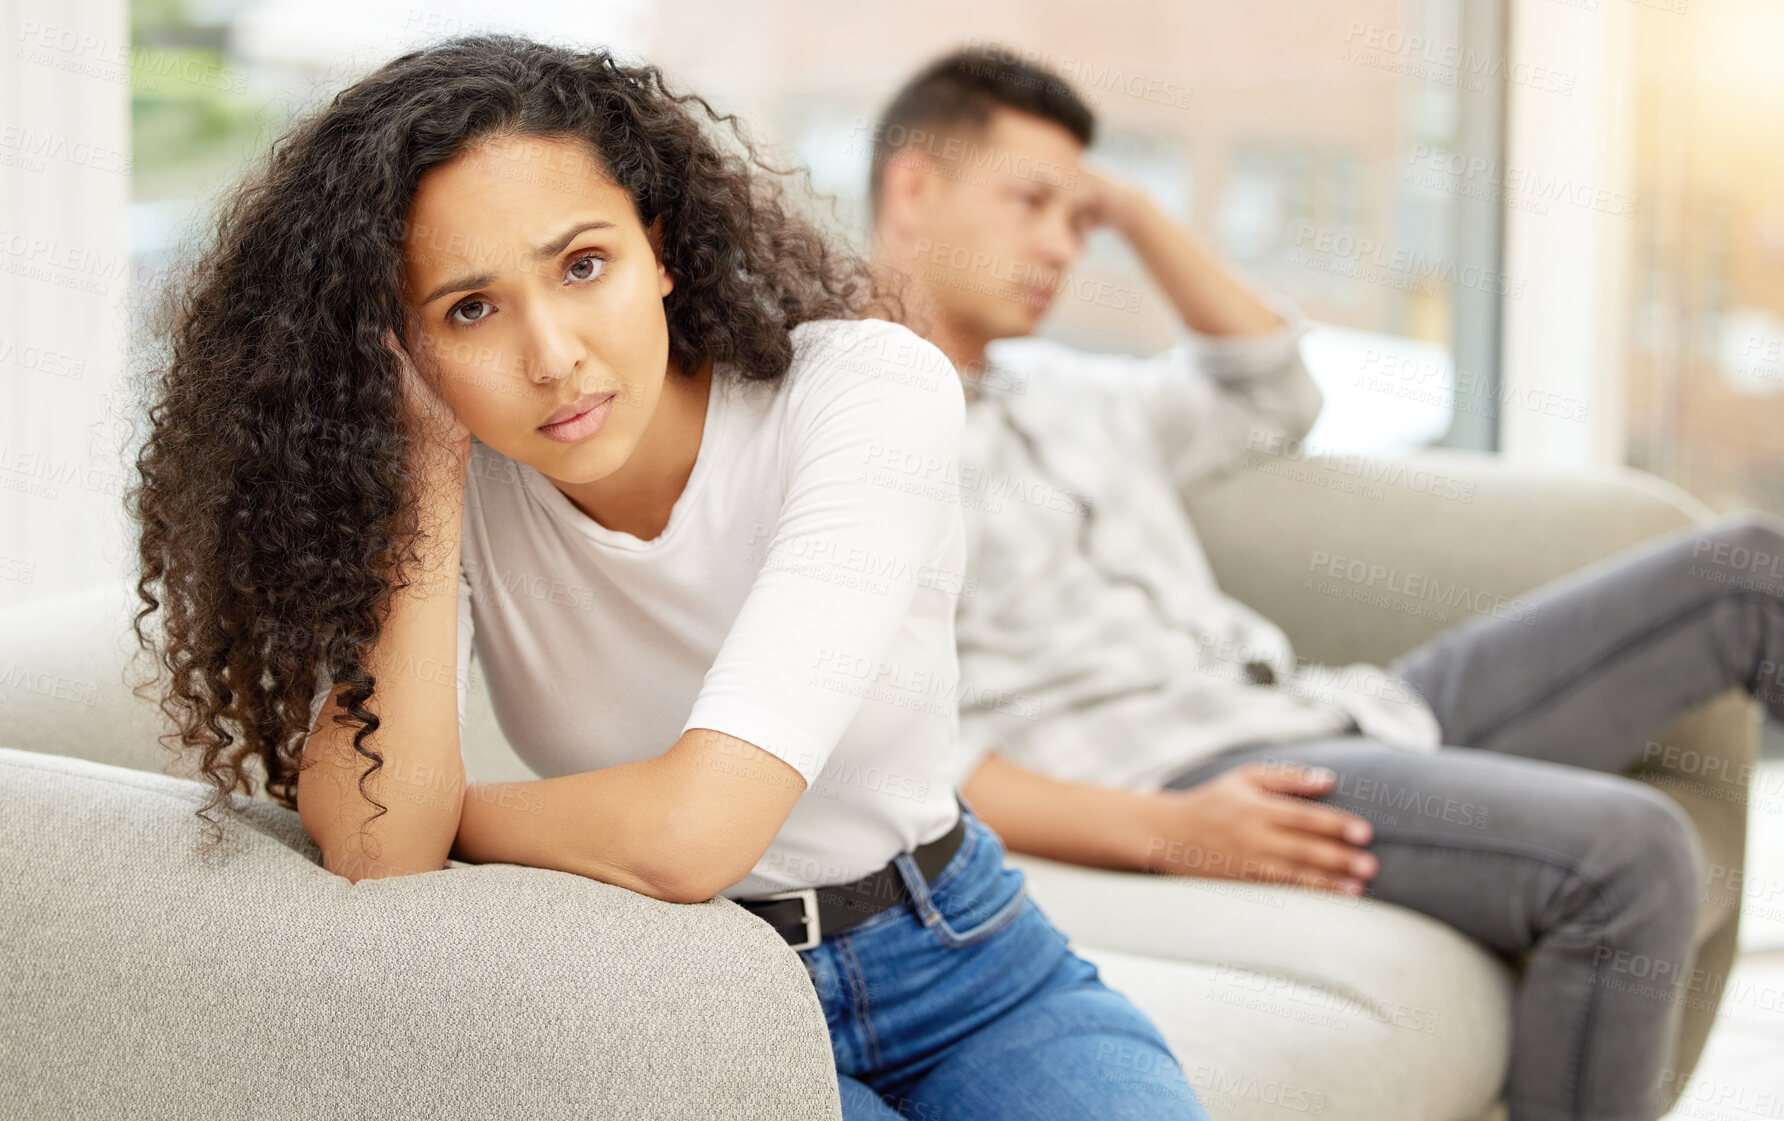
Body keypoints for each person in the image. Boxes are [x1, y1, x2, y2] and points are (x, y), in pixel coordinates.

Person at [126, 33, 1216, 1121]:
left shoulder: (863, 394)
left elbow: (694, 832)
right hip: (681, 993)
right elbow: (372, 841)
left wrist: (454, 816)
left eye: (581, 264)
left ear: (659, 245)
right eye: (469, 308)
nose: (551, 353)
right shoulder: (456, 491)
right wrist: (419, 467)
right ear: (397, 347)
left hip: (966, 962)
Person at [867, 44, 1784, 1121]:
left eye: (1078, 219)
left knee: (1744, 570)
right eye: (1029, 201)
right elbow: (895, 742)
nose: (1058, 245)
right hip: (1224, 767)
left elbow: (1272, 387)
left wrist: (1130, 210)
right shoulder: (858, 432)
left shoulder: (1074, 389)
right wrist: (1162, 828)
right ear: (912, 187)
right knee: (1629, 849)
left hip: (1333, 702)